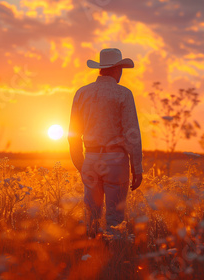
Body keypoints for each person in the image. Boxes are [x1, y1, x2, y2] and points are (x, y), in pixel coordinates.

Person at [68, 48, 143, 238]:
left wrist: (81, 164)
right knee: (115, 219)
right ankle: (114, 261)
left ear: (101, 69)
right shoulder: (123, 94)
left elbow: (73, 134)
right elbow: (132, 133)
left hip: (91, 158)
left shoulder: (82, 93)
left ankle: (90, 258)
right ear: (117, 69)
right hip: (116, 160)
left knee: (91, 216)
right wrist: (137, 168)